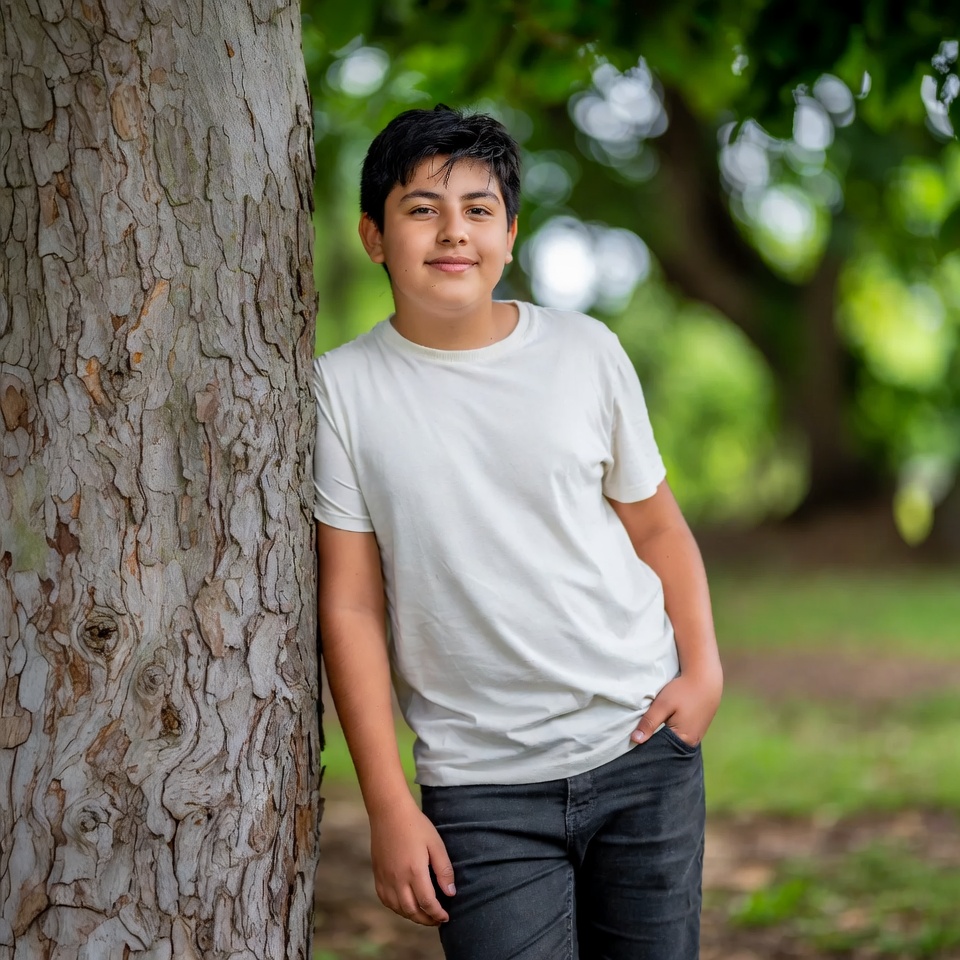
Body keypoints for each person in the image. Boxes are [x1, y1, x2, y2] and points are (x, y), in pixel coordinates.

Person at [313, 103, 723, 960]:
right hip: (479, 788)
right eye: (421, 209)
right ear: (374, 236)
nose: (451, 232)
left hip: (640, 748)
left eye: (478, 210)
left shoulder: (585, 352)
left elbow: (657, 530)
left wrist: (705, 671)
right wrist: (389, 804)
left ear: (509, 234)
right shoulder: (341, 391)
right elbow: (350, 605)